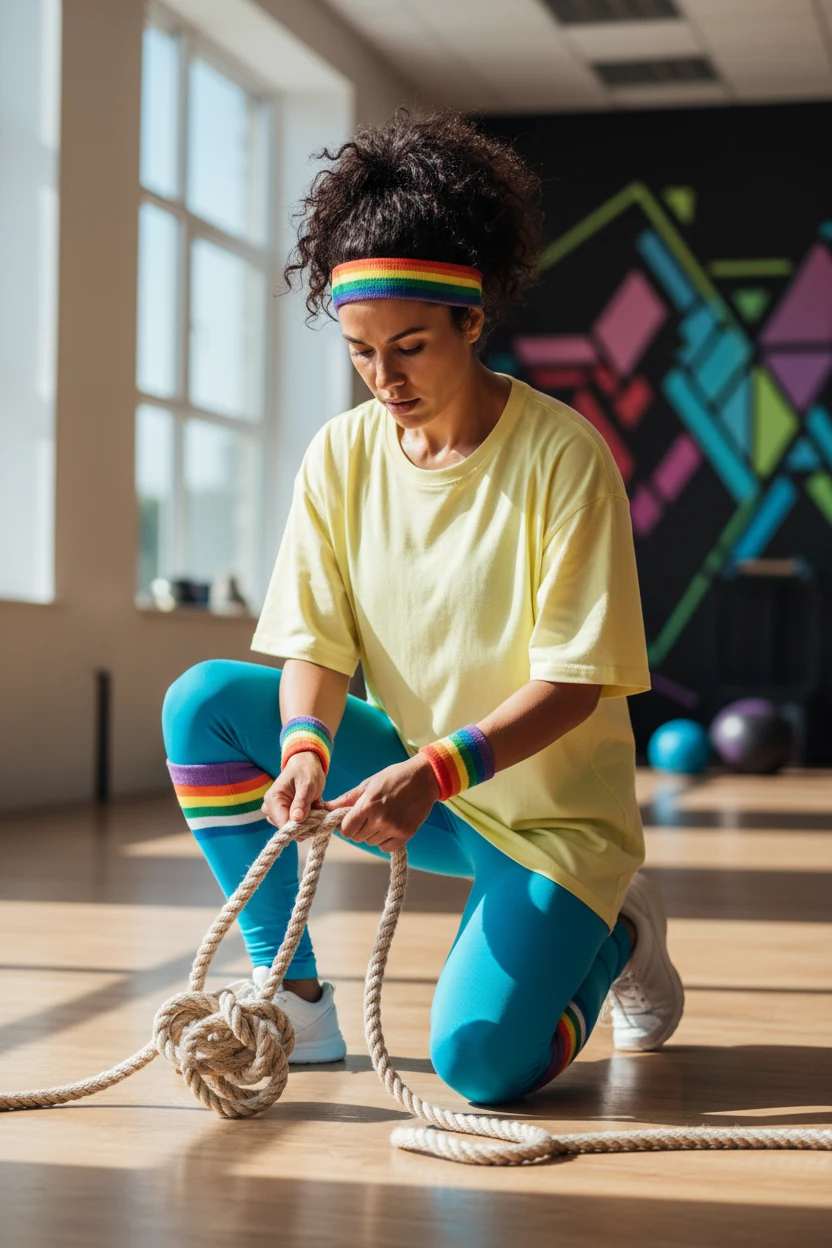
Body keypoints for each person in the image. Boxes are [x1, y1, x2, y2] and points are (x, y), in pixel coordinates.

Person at [162, 108, 684, 1104]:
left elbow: (575, 684)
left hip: (544, 819)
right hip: (421, 790)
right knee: (203, 703)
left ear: (472, 321)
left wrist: (428, 773)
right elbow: (313, 642)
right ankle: (300, 1003)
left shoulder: (562, 456)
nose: (384, 378)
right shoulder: (340, 454)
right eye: (361, 351)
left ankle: (613, 935)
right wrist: (308, 747)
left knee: (482, 1068)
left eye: (409, 346)